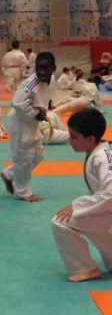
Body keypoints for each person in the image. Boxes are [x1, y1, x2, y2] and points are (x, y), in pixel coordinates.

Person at [51, 108, 112, 282]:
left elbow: (110, 193)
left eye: (73, 137)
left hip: (108, 214)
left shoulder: (103, 157)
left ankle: (86, 268)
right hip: (106, 213)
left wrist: (77, 205)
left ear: (90, 139)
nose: (70, 141)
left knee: (59, 221)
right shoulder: (98, 153)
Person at [0, 51, 57, 202]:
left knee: (38, 154)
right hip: (20, 121)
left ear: (54, 68)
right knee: (24, 157)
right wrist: (36, 113)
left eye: (46, 68)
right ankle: (23, 193)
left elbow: (45, 95)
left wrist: (45, 107)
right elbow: (17, 103)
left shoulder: (52, 79)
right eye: (39, 68)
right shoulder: (31, 83)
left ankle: (9, 174)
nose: (42, 72)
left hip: (32, 122)